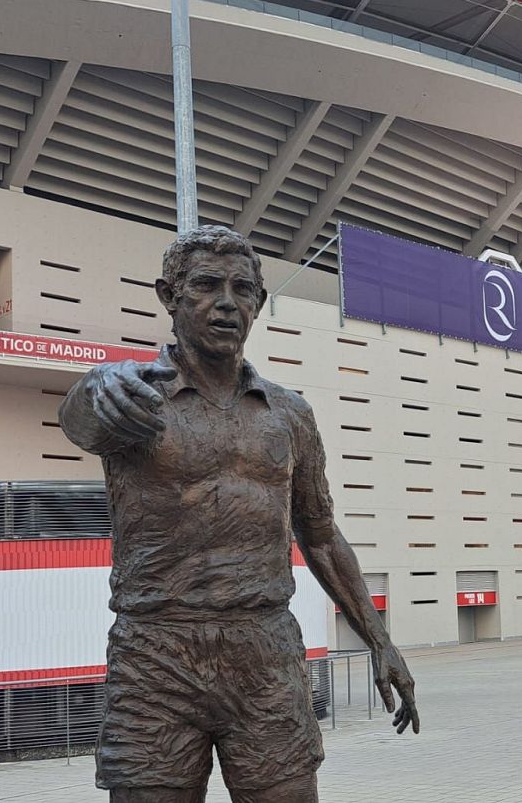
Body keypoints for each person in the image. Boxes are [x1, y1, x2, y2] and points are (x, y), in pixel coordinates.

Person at [60, 226, 417, 803]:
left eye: (242, 289)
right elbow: (78, 420)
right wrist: (96, 381)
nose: (227, 303)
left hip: (264, 650)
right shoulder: (130, 398)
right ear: (168, 297)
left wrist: (380, 639)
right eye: (205, 285)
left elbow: (320, 535)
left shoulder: (289, 414)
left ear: (257, 303)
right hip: (157, 653)